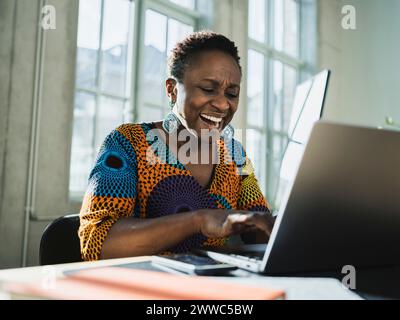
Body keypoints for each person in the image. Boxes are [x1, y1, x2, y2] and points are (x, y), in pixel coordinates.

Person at [79, 31, 274, 261]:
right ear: (172, 89)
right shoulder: (128, 142)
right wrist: (199, 220)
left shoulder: (234, 155)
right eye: (208, 89)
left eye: (232, 93)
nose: (222, 104)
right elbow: (97, 244)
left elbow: (262, 231)